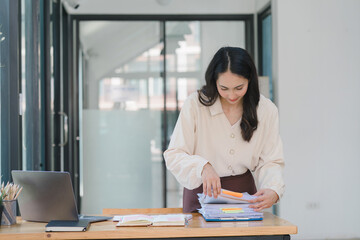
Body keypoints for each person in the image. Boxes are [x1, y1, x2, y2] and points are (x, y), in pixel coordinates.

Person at [163, 46, 285, 213]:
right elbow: (174, 154)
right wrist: (203, 167)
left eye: (239, 88)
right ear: (214, 81)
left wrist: (273, 189)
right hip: (202, 194)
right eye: (224, 88)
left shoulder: (265, 110)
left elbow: (271, 160)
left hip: (244, 197)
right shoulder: (195, 105)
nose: (232, 95)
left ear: (250, 80)